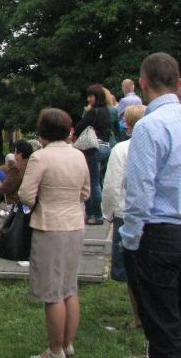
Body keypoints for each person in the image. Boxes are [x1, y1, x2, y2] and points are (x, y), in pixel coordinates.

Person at [121, 52, 181, 358]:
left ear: (143, 84)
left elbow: (140, 190)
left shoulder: (148, 126)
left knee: (163, 329)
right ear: (179, 84)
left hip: (160, 235)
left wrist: (130, 241)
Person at [19, 108, 90, 358]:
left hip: (50, 226)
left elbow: (26, 194)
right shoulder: (79, 156)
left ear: (42, 130)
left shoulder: (40, 157)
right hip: (75, 224)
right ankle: (68, 344)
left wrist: (41, 203)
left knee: (52, 292)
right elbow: (85, 192)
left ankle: (55, 349)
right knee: (70, 287)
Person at [101, 104, 146, 330]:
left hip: (125, 213)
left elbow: (111, 185)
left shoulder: (121, 149)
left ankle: (138, 317)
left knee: (131, 271)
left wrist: (107, 213)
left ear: (126, 124)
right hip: (153, 214)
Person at [74, 83, 112, 225]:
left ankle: (95, 214)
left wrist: (87, 111)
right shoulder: (107, 111)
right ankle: (96, 213)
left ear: (97, 97)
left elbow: (79, 127)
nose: (88, 99)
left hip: (93, 148)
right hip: (105, 147)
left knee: (92, 183)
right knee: (97, 182)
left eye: (91, 96)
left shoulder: (93, 112)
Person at [0, 140, 34, 236]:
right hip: (30, 206)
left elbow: (7, 187)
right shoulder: (33, 165)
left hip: (16, 206)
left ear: (19, 154)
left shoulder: (17, 168)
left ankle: (3, 231)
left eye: (15, 151)